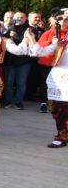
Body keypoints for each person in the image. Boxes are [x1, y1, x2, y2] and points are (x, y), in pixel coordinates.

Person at [30, 13, 68, 147]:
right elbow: (40, 52)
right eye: (60, 19)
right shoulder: (58, 39)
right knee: (59, 108)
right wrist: (33, 40)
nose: (63, 21)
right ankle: (62, 135)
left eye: (66, 19)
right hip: (58, 77)